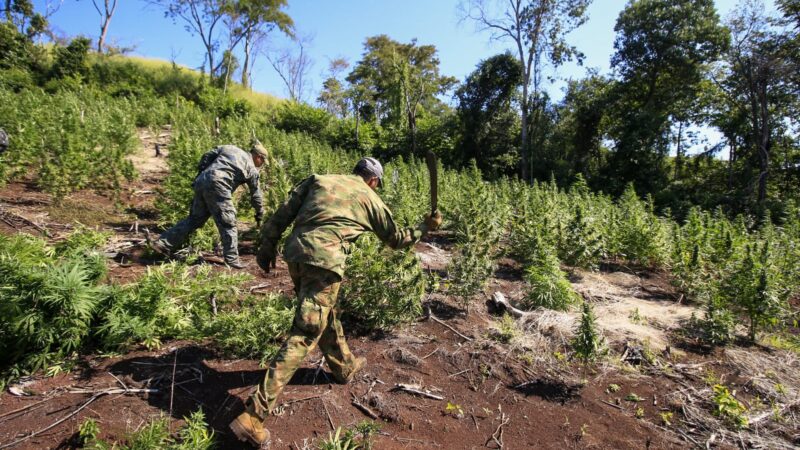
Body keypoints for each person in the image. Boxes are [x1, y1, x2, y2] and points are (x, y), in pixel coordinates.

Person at [229, 157, 442, 447]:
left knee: (321, 313)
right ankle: (254, 415)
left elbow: (281, 214)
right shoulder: (370, 197)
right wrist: (424, 227)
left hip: (296, 254)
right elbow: (396, 240)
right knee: (305, 333)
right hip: (325, 261)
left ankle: (344, 366)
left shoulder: (319, 179)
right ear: (374, 181)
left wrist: (266, 248)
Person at [147, 141, 267, 269]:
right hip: (219, 184)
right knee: (228, 222)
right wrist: (259, 212)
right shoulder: (252, 169)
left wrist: (202, 172)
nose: (262, 164)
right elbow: (256, 195)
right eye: (263, 161)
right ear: (258, 157)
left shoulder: (230, 148)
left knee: (195, 219)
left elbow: (208, 155)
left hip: (202, 180)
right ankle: (232, 260)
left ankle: (163, 243)